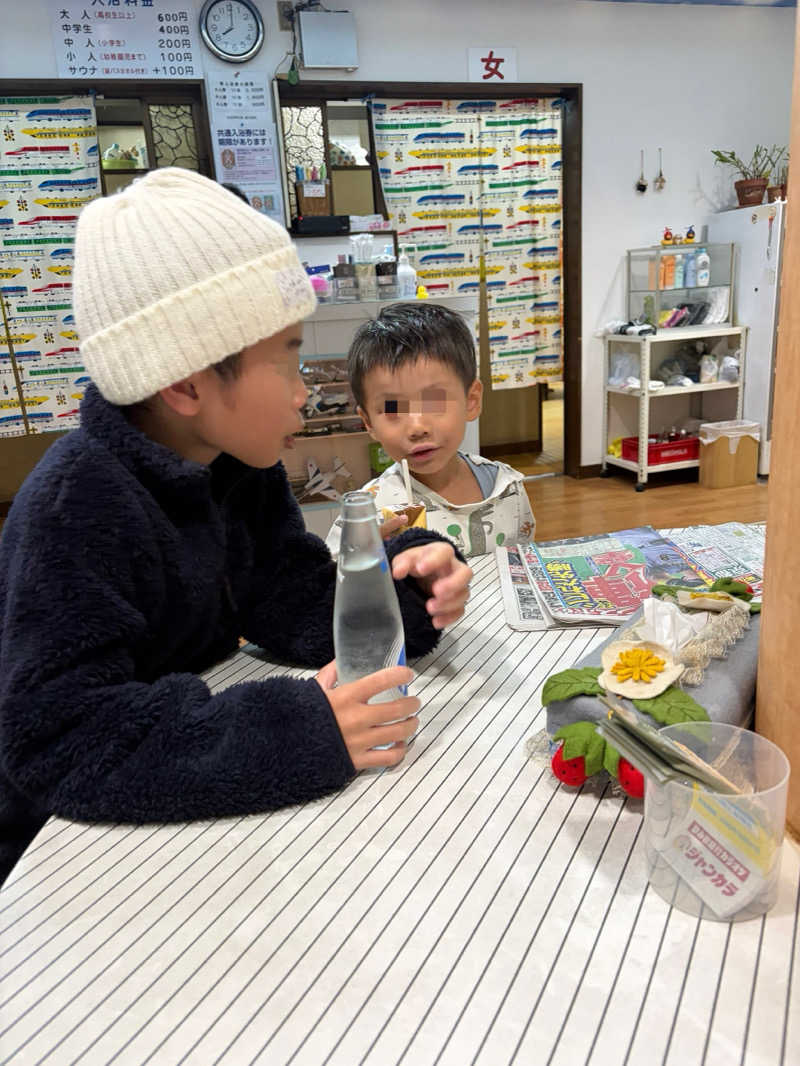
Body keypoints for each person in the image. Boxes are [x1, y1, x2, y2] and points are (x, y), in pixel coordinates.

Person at [0, 169, 472, 885]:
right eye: (285, 353)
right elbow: (61, 738)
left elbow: (289, 599)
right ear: (186, 384)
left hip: (183, 813)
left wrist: (403, 582)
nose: (304, 386)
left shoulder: (232, 462)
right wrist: (300, 729)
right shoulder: (76, 504)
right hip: (66, 856)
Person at [325, 303, 536, 558]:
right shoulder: (365, 513)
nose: (417, 427)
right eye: (393, 410)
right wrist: (363, 563)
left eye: (434, 402)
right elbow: (333, 584)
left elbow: (526, 562)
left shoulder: (507, 486)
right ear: (369, 422)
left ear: (471, 401)